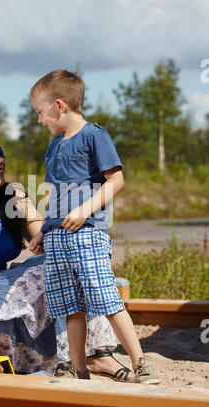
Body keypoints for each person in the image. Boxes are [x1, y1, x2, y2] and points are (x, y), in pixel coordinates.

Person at [0, 130, 133, 379]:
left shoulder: (12, 197)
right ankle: (91, 356)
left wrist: (83, 234)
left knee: (74, 261)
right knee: (51, 268)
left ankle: (96, 354)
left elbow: (51, 247)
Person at [29, 69, 160, 383]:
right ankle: (78, 367)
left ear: (59, 106)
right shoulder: (54, 147)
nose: (39, 120)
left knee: (106, 298)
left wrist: (86, 209)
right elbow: (54, 196)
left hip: (86, 234)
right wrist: (44, 231)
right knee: (69, 306)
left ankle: (141, 363)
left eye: (40, 112)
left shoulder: (94, 135)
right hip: (58, 237)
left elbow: (116, 180)